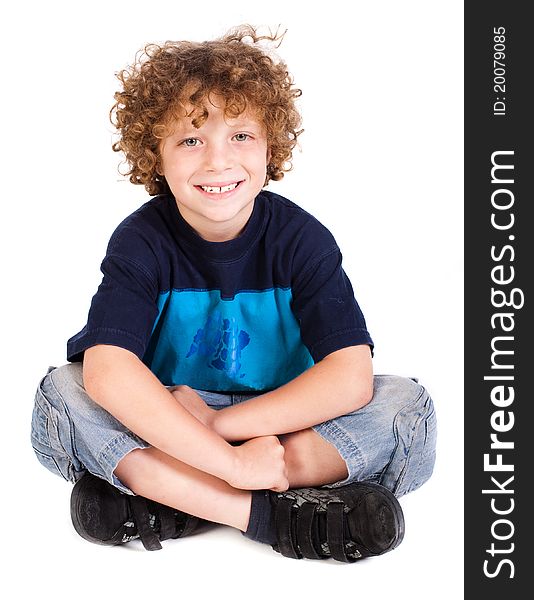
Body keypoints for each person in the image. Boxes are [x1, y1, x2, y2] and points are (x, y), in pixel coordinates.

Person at [30, 25, 437, 562]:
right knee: (63, 393)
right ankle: (264, 512)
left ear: (272, 146)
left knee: (405, 408)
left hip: (281, 421)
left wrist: (222, 427)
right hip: (171, 415)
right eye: (191, 139)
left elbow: (350, 375)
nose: (217, 162)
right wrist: (234, 464)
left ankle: (171, 494)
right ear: (156, 155)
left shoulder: (302, 239)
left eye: (240, 136)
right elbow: (109, 371)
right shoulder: (141, 240)